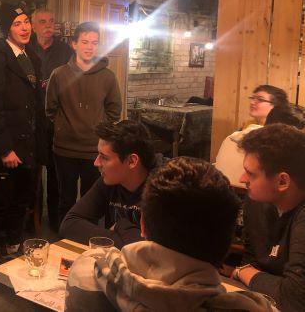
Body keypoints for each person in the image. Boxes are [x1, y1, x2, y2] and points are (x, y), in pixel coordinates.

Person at [65, 157, 276, 312]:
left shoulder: (87, 274)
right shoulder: (257, 308)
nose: (96, 162)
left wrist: (122, 227)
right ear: (229, 242)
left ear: (142, 223)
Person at [0, 3, 45, 267]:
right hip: (2, 149)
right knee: (0, 203)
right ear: (7, 29)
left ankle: (14, 248)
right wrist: (5, 149)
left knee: (21, 201)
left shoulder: (31, 57)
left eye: (26, 22)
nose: (25, 28)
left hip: (28, 146)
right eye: (17, 24)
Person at [46, 21, 122, 223]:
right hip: (65, 149)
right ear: (74, 44)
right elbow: (50, 109)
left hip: (94, 150)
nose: (90, 47)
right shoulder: (59, 74)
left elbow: (114, 110)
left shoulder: (108, 76)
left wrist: (98, 129)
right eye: (85, 42)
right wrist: (65, 126)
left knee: (92, 201)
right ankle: (65, 237)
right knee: (66, 199)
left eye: (94, 43)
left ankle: (88, 237)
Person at [235, 124, 305, 311]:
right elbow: (252, 259)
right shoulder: (257, 201)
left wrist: (244, 272)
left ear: (282, 181)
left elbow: (296, 299)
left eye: (251, 174)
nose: (242, 179)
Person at [60, 120, 157, 248]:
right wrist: (119, 239)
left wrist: (121, 226)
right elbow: (69, 225)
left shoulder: (163, 187)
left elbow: (158, 248)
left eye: (104, 157)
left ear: (132, 161)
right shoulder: (111, 180)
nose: (96, 163)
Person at [29, 8, 73, 231]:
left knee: (57, 174)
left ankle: (57, 221)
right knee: (33, 172)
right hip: (34, 121)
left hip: (58, 120)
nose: (48, 25)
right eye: (42, 21)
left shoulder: (66, 51)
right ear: (33, 26)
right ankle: (32, 219)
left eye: (51, 21)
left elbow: (74, 81)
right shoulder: (26, 49)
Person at [215, 84, 303, 186]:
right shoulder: (255, 134)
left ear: (277, 106)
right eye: (252, 98)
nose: (252, 102)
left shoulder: (243, 133)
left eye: (260, 99)